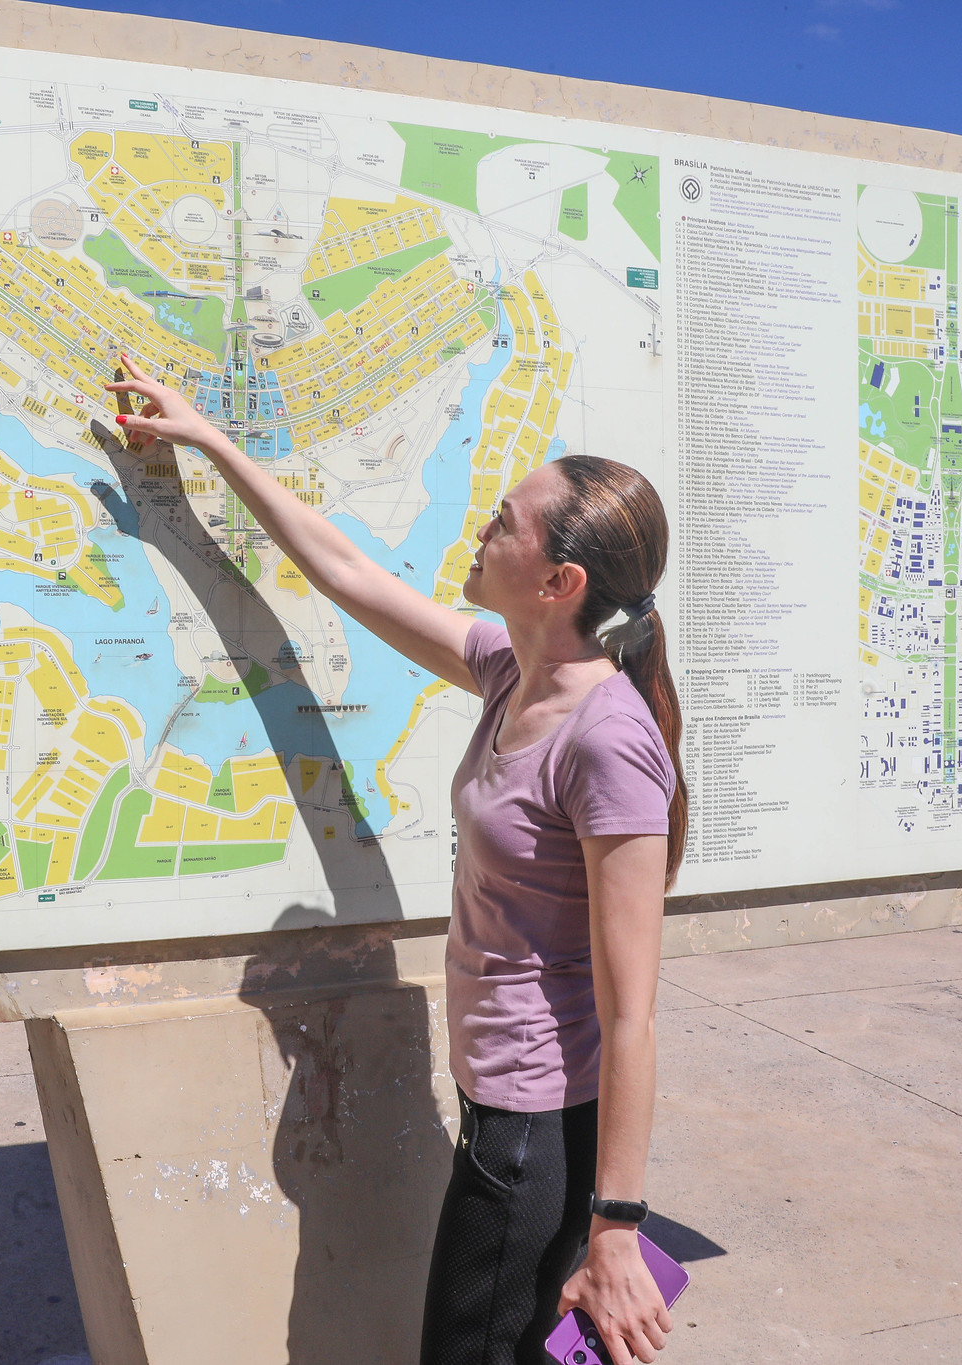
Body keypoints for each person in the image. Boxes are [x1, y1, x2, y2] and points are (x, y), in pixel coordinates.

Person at [106, 353, 687, 1365]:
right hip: (498, 1101)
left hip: (533, 1125)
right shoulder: (513, 671)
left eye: (504, 520)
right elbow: (346, 573)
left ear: (560, 582)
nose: (481, 527)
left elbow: (632, 1006)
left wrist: (616, 1228)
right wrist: (205, 441)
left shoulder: (606, 737)